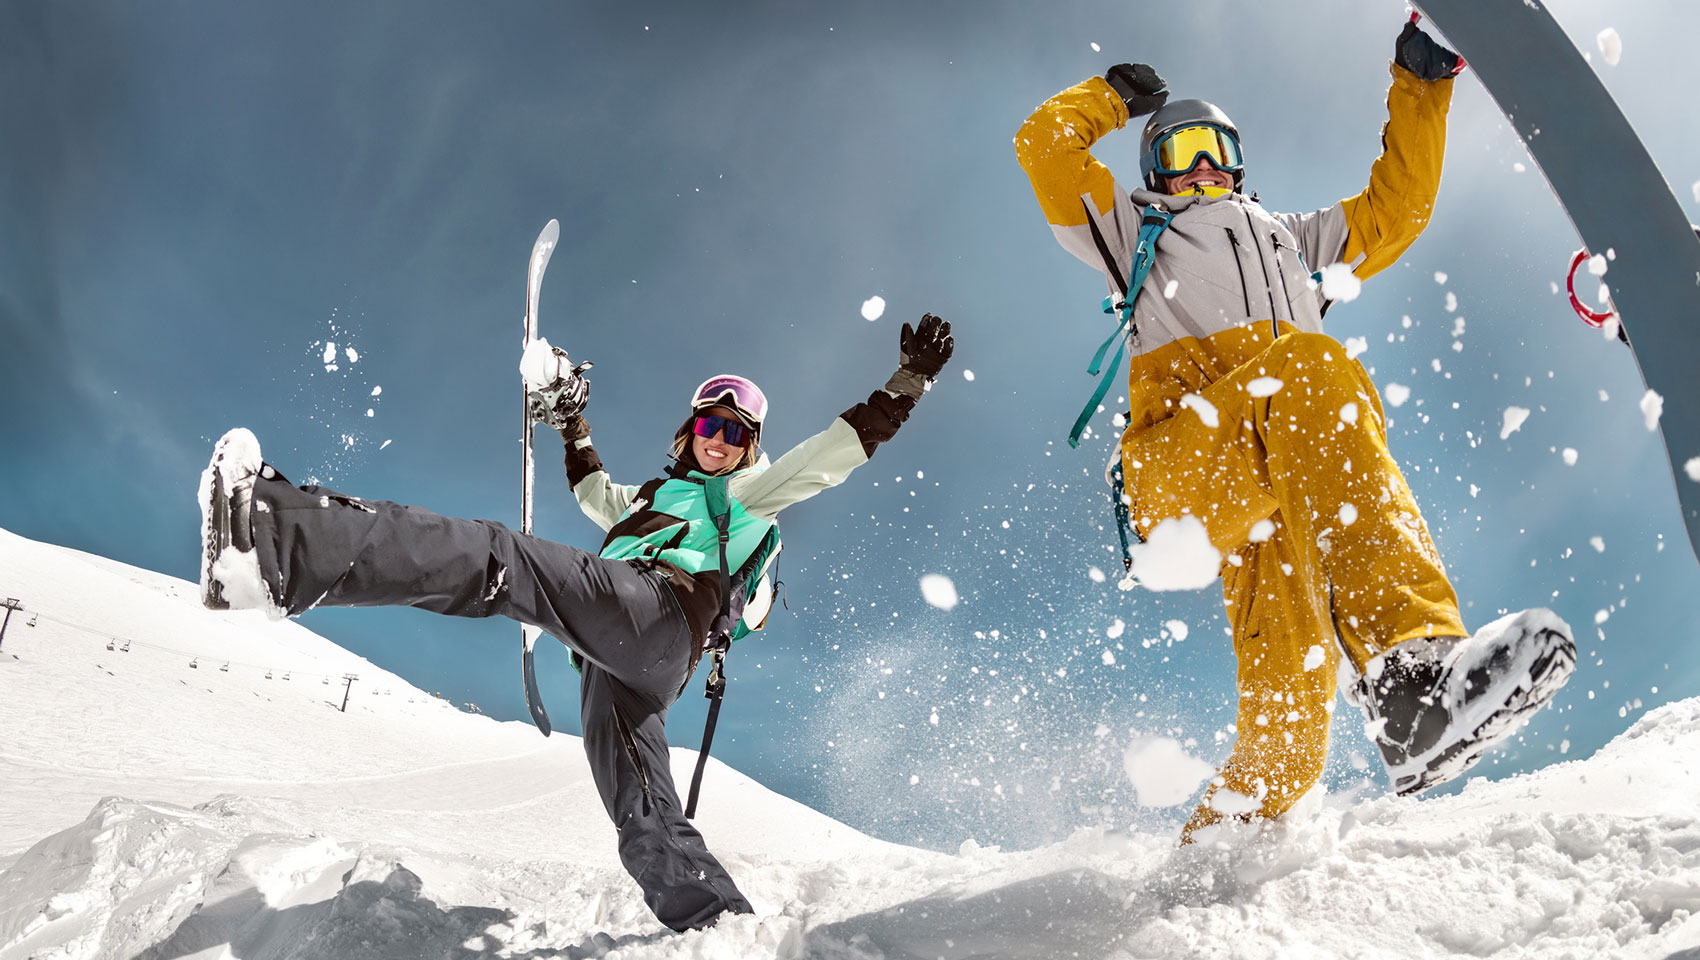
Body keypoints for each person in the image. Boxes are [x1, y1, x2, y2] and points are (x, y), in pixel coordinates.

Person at [198, 313, 954, 931]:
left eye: (734, 434)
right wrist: (572, 424)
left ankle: (273, 543)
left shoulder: (751, 495)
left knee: (503, 560)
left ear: (750, 447)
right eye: (707, 427)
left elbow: (833, 453)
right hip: (621, 667)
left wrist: (905, 384)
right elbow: (594, 493)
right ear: (689, 432)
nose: (718, 441)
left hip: (659, 616)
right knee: (642, 809)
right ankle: (719, 927)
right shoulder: (652, 498)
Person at [1014, 20, 1576, 838]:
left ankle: (1212, 867)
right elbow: (1044, 148)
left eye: (1214, 149)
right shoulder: (1135, 236)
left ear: (1239, 162)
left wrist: (1421, 84)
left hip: (1276, 480)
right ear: (1155, 174)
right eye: (1179, 155)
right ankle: (1411, 675)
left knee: (1292, 715)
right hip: (1182, 462)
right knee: (1311, 367)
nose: (1200, 168)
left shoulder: (1294, 242)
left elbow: (1399, 208)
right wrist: (1108, 99)